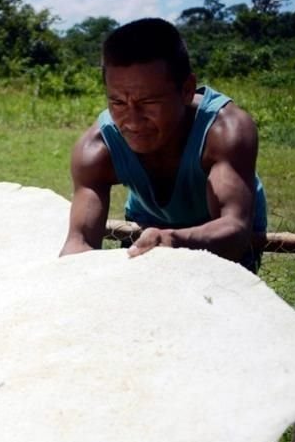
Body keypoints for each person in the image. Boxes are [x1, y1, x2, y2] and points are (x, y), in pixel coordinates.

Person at [59, 18, 267, 272]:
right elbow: (79, 242)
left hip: (223, 236)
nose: (133, 121)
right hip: (148, 225)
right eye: (118, 103)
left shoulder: (226, 132)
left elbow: (235, 230)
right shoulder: (96, 149)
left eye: (148, 102)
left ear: (187, 90)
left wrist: (174, 240)